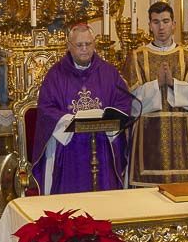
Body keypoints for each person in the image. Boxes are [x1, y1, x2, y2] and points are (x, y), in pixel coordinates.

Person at [32, 23, 133, 193]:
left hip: (103, 147)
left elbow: (123, 102)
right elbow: (46, 109)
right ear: (69, 46)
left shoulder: (109, 72)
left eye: (88, 44)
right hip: (70, 149)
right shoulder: (55, 75)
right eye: (79, 45)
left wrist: (108, 117)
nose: (85, 49)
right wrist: (69, 121)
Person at [123, 1, 188, 187]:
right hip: (148, 135)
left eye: (165, 21)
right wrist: (157, 84)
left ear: (173, 24)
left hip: (183, 135)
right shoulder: (137, 56)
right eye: (155, 22)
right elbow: (130, 103)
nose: (161, 27)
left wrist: (173, 84)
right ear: (149, 26)